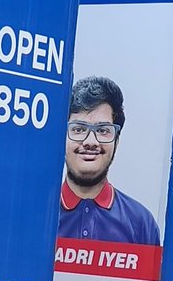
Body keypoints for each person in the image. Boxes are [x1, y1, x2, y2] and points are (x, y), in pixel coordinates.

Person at [57, 74, 160, 245]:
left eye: (103, 130)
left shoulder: (141, 224)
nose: (90, 142)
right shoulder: (35, 217)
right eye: (79, 129)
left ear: (116, 141)